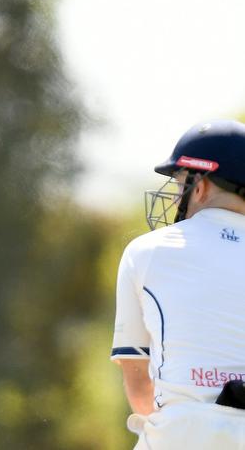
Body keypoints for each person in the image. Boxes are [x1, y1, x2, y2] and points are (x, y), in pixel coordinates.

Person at [110, 119, 245, 449]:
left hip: (181, 436)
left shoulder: (146, 251)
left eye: (180, 184)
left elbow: (138, 383)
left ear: (200, 186)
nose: (174, 197)